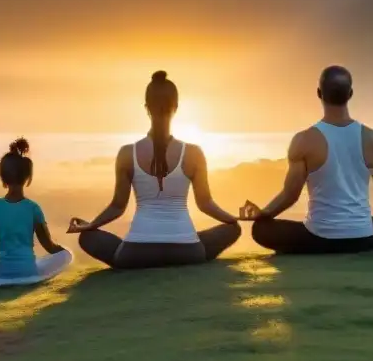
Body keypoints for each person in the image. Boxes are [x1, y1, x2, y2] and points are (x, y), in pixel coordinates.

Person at [239, 65, 373, 254]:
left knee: (261, 229)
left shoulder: (304, 140)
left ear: (319, 93)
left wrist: (262, 214)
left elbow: (290, 196)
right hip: (365, 240)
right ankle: (364, 237)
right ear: (350, 94)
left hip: (318, 241)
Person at [68, 70, 242, 269]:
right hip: (188, 252)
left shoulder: (127, 153)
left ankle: (133, 249)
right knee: (231, 230)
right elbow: (206, 204)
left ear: (146, 108)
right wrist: (233, 220)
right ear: (175, 107)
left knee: (88, 237)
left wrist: (91, 225)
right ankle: (188, 240)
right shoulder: (194, 153)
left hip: (135, 254)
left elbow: (117, 207)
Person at [0, 137, 73, 286]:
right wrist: (64, 250)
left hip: (0, 276)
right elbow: (50, 247)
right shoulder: (34, 208)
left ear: (3, 178)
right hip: (29, 274)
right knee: (68, 255)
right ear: (27, 178)